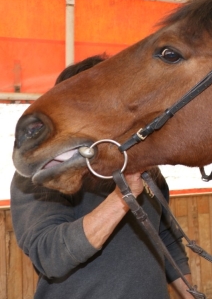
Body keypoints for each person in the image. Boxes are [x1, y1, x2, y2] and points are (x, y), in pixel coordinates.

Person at [11, 55, 195, 298]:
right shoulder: (41, 174)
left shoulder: (143, 168)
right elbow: (50, 255)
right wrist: (122, 198)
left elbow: (166, 240)